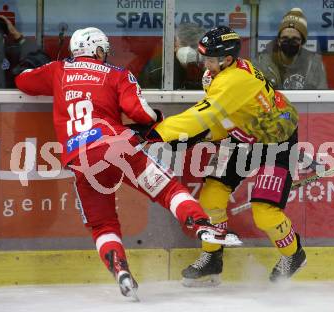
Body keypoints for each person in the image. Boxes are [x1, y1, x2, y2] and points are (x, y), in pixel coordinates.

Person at [15, 27, 241, 299]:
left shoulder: (58, 70)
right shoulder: (117, 74)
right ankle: (202, 224)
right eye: (104, 50)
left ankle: (121, 271)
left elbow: (23, 81)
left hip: (80, 160)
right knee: (168, 190)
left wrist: (32, 59)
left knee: (103, 225)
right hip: (117, 148)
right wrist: (155, 118)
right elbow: (139, 112)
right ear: (98, 50)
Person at [142, 26, 307, 286]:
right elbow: (222, 117)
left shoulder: (234, 80)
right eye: (204, 56)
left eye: (209, 58)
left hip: (275, 142)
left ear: (227, 59)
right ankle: (212, 259)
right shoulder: (215, 74)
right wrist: (199, 137)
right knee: (211, 196)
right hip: (243, 138)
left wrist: (159, 134)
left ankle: (293, 254)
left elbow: (202, 115)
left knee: (265, 214)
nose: (204, 63)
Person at [256, 8, 327, 90]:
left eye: (295, 39)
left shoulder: (314, 64)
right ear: (278, 41)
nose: (289, 42)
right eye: (285, 38)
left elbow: (322, 97)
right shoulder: (262, 62)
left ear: (302, 43)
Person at [139, 23, 205, 89]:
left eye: (193, 46)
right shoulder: (158, 68)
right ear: (175, 45)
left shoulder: (208, 68)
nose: (189, 50)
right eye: (184, 44)